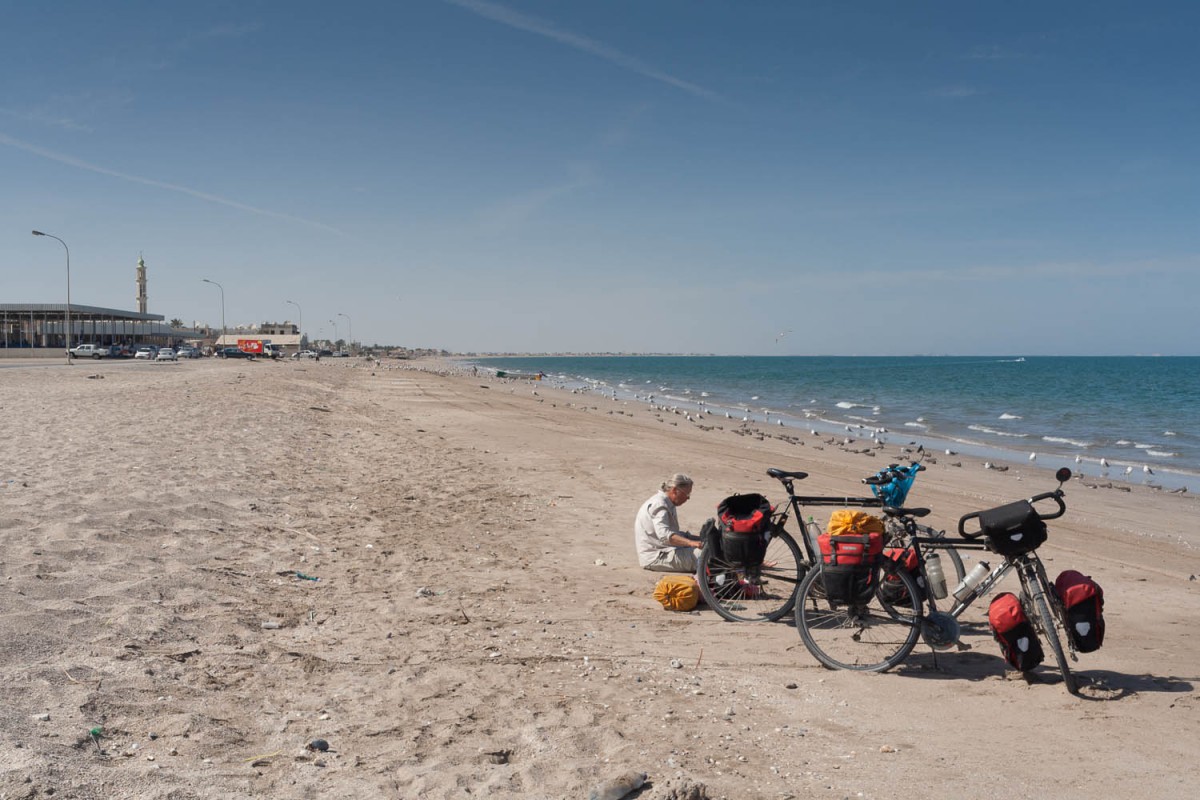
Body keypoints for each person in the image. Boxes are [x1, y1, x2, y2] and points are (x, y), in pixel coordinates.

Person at [634, 473, 703, 573]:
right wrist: (691, 543)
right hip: (656, 557)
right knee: (706, 555)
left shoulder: (668, 503)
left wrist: (697, 539)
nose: (688, 498)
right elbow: (665, 536)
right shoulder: (660, 505)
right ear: (675, 490)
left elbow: (673, 533)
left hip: (665, 550)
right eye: (687, 494)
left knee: (708, 549)